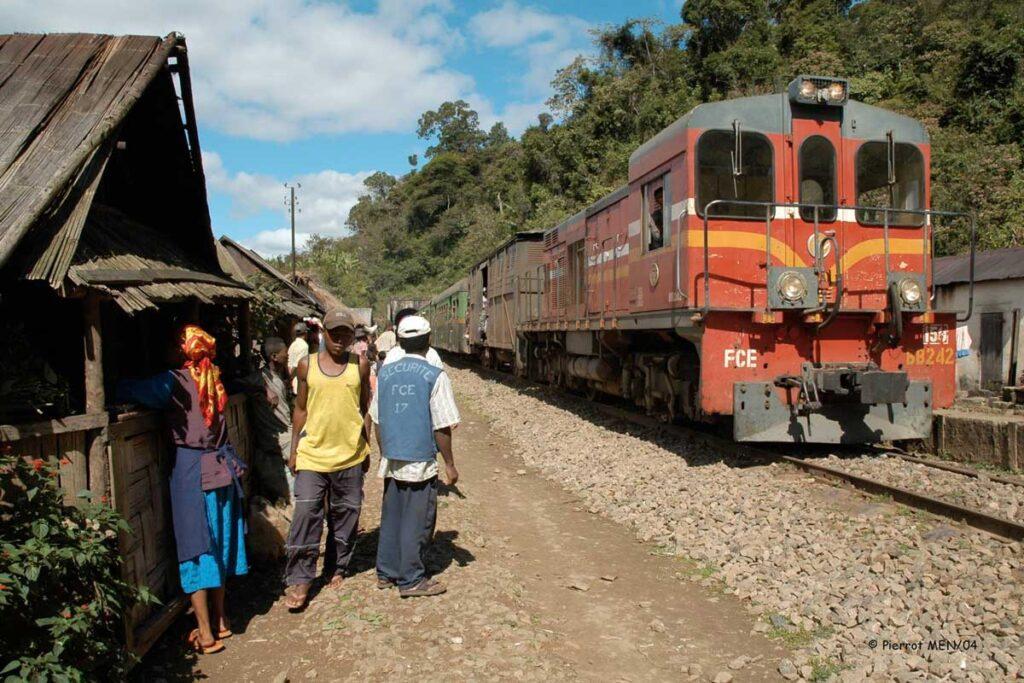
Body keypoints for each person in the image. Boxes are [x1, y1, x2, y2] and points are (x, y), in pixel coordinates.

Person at [116, 325, 247, 655]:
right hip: (222, 472)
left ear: (182, 351)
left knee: (196, 548)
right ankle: (221, 620)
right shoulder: (213, 377)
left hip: (193, 473)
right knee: (218, 544)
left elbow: (130, 390)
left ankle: (204, 633)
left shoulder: (173, 381)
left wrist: (116, 383)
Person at [283, 308, 371, 610]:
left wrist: (366, 446)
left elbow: (363, 409)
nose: (340, 339)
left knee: (345, 514)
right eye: (334, 333)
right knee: (306, 514)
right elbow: (301, 409)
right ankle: (300, 577)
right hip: (312, 456)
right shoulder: (307, 365)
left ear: (352, 335)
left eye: (346, 333)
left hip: (349, 455)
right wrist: (294, 450)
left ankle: (337, 566)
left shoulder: (359, 365)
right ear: (324, 334)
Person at [371, 315, 460, 597]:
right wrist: (449, 463)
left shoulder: (384, 372)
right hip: (419, 459)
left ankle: (386, 572)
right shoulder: (435, 374)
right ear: (429, 340)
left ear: (399, 341)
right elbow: (442, 425)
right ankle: (411, 579)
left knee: (393, 514)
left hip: (393, 456)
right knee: (417, 519)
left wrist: (386, 452)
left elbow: (376, 420)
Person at [251, 337, 294, 503]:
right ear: (274, 357)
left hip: (285, 432)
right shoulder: (262, 378)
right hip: (279, 436)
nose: (287, 356)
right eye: (285, 354)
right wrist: (264, 388)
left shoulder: (279, 376)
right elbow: (237, 384)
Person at [287, 322, 309, 394]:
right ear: (305, 333)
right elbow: (297, 365)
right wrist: (290, 377)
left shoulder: (293, 344)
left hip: (291, 379)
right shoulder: (304, 346)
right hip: (297, 381)